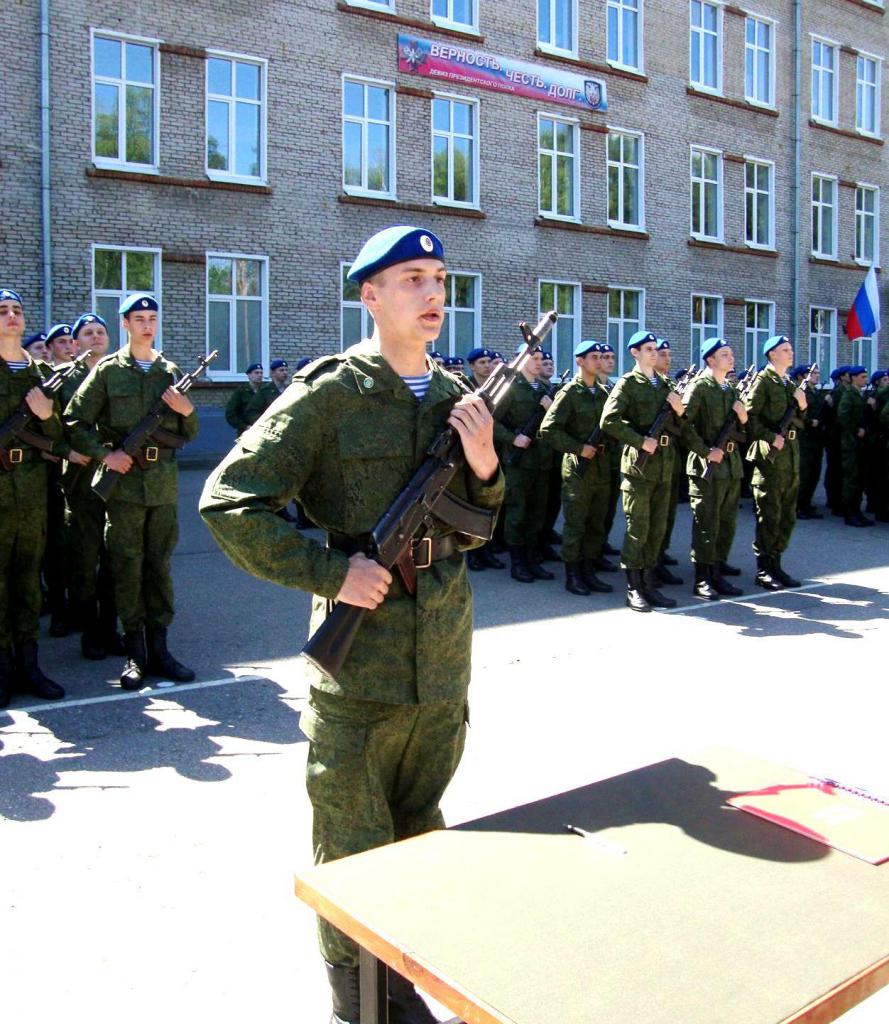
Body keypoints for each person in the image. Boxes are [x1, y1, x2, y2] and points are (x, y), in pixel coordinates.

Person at [198, 225, 503, 1024]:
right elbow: (230, 503)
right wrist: (334, 572)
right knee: (353, 851)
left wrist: (485, 470)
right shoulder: (329, 393)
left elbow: (477, 529)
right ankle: (359, 1005)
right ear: (368, 295)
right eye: (410, 278)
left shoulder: (453, 402)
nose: (432, 293)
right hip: (358, 667)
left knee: (421, 837)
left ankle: (402, 986)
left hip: (439, 664)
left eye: (438, 278)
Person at [65, 292, 198, 689]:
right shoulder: (108, 371)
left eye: (152, 318)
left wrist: (188, 412)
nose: (146, 324)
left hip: (161, 487)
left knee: (159, 566)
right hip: (123, 488)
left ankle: (160, 649)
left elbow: (185, 435)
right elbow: (74, 420)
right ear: (124, 324)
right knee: (127, 566)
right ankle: (134, 652)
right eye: (138, 318)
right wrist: (106, 456)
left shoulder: (169, 372)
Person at [0, 287, 66, 707]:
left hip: (32, 487)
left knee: (27, 579)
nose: (11, 316)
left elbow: (59, 437)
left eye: (17, 311)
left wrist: (48, 416)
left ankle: (29, 664)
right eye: (2, 311)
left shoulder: (39, 373)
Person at [600, 330, 687, 612]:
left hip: (664, 465)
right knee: (638, 528)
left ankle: (650, 584)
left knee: (657, 529)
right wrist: (640, 440)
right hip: (639, 465)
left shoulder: (664, 384)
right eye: (647, 348)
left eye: (655, 348)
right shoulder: (628, 383)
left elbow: (680, 426)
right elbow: (609, 421)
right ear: (635, 353)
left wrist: (681, 410)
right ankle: (634, 587)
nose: (653, 352)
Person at [61, 313, 123, 659]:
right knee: (85, 562)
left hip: (115, 483)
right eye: (88, 333)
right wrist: (69, 450)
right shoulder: (64, 381)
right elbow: (56, 428)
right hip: (81, 482)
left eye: (101, 332)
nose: (96, 337)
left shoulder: (117, 376)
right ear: (75, 343)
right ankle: (89, 632)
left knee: (113, 558)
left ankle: (109, 628)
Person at [539, 339, 613, 595]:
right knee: (576, 524)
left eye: (600, 357)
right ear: (580, 361)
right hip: (578, 470)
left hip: (601, 468)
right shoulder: (570, 393)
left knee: (596, 523)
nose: (599, 361)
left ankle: (588, 570)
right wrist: (578, 448)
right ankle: (572, 575)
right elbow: (548, 429)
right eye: (593, 357)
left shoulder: (604, 394)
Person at [681, 337, 747, 600]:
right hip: (705, 465)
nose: (730, 358)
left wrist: (743, 418)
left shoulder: (730, 390)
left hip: (730, 466)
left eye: (731, 354)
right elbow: (684, 426)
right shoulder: (699, 388)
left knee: (726, 523)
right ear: (710, 359)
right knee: (706, 524)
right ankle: (702, 578)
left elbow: (742, 431)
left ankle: (718, 571)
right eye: (724, 354)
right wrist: (706, 451)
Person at [743, 334, 806, 590]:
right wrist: (770, 436)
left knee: (786, 516)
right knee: (769, 515)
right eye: (785, 350)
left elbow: (799, 420)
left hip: (790, 456)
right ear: (772, 355)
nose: (790, 353)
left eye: (791, 349)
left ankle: (776, 563)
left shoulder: (788, 381)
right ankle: (764, 569)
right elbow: (749, 416)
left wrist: (802, 406)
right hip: (770, 457)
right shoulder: (763, 381)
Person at [493, 345, 555, 583]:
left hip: (542, 459)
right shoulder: (510, 388)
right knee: (517, 512)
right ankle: (518, 562)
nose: (539, 362)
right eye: (534, 358)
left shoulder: (546, 388)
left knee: (537, 513)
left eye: (541, 358)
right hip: (519, 461)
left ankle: (532, 558)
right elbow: (491, 421)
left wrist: (551, 411)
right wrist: (512, 438)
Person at [653, 339, 684, 586]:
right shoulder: (641, 386)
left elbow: (682, 426)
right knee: (649, 517)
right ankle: (647, 567)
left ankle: (659, 556)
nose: (667, 359)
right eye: (662, 354)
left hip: (670, 458)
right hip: (650, 460)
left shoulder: (670, 386)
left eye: (668, 354)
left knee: (667, 514)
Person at [836, 365, 874, 527]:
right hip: (851, 443)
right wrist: (855, 430)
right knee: (851, 479)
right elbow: (842, 416)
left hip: (860, 443)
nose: (865, 379)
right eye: (862, 377)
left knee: (860, 479)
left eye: (866, 377)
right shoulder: (849, 395)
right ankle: (849, 513)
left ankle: (857, 511)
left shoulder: (861, 394)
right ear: (854, 378)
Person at [596, 342, 622, 564]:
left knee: (609, 506)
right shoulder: (588, 388)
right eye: (605, 357)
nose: (609, 361)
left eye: (612, 357)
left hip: (613, 457)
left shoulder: (614, 388)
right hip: (593, 458)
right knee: (592, 511)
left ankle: (601, 544)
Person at [794, 364, 826, 520]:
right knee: (804, 473)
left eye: (818, 373)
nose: (816, 376)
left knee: (814, 473)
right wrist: (808, 422)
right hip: (804, 437)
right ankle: (798, 505)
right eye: (812, 373)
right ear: (801, 376)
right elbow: (795, 414)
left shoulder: (817, 393)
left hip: (816, 437)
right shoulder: (799, 392)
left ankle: (807, 503)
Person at [245, 358, 289, 426]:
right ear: (273, 373)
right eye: (281, 370)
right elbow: (252, 412)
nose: (285, 372)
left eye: (286, 370)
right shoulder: (265, 392)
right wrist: (264, 424)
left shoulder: (290, 390)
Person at [225, 362, 264, 436]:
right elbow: (230, 413)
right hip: (246, 431)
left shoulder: (264, 391)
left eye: (261, 373)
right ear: (249, 375)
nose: (259, 375)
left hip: (262, 431)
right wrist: (244, 426)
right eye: (256, 373)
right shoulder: (241, 392)